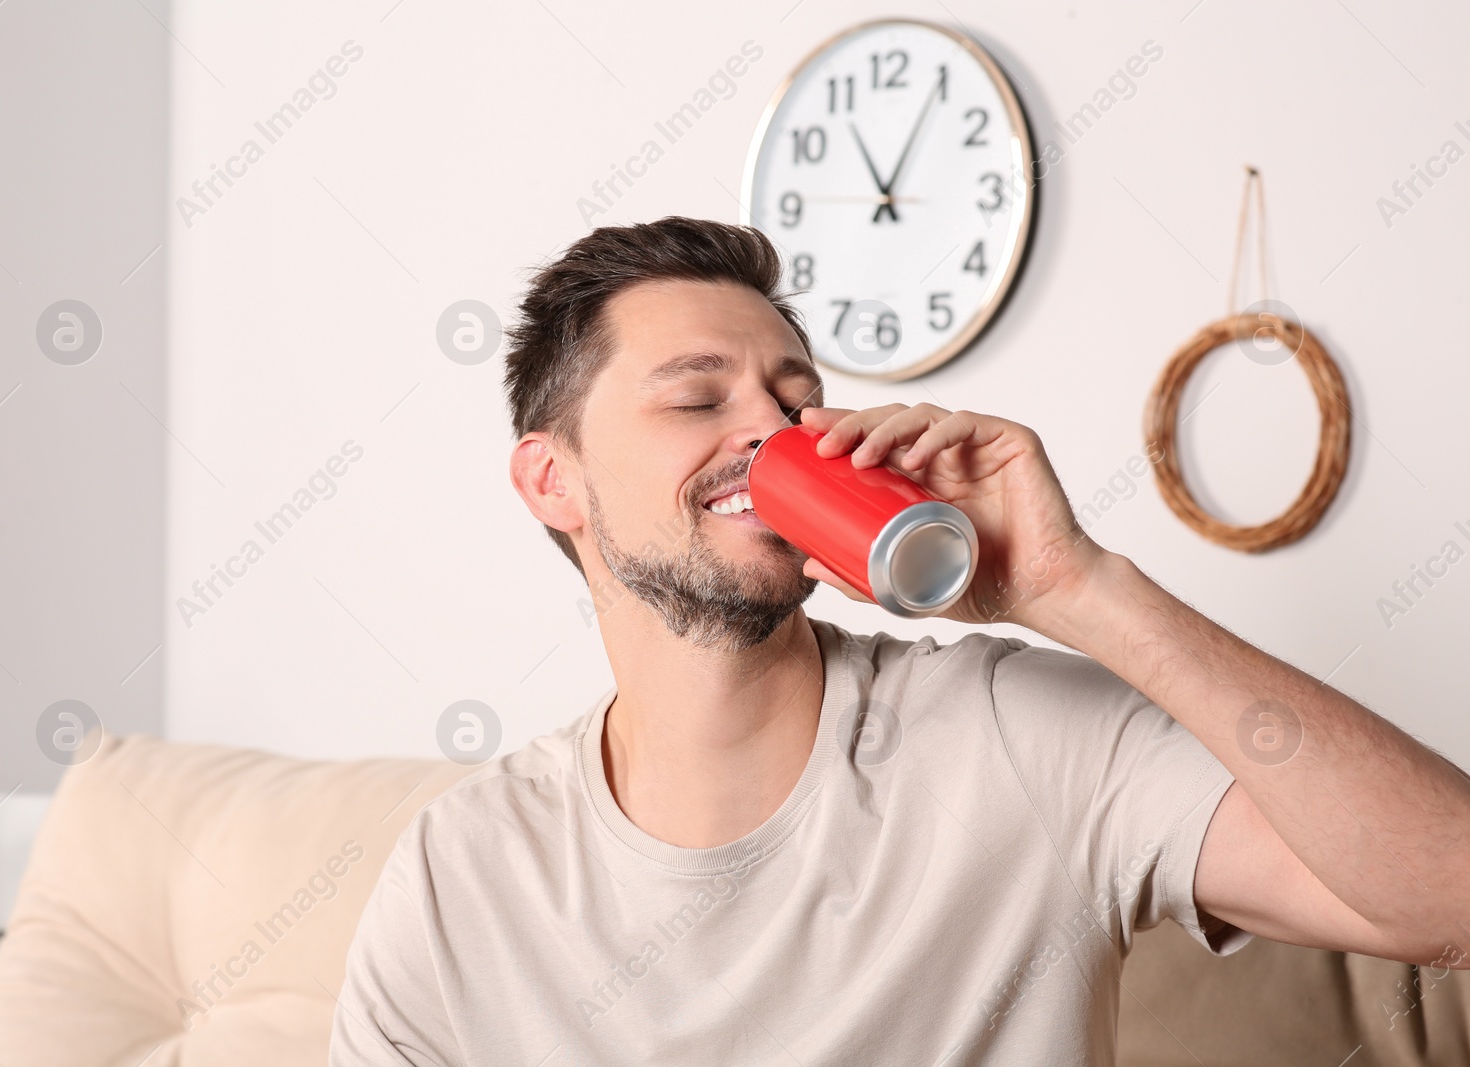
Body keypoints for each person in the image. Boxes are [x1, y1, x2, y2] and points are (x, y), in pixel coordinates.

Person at [331, 217, 1470, 1065]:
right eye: (696, 399)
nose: (772, 433)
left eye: (793, 397)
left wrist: (1076, 587)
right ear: (551, 479)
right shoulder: (461, 872)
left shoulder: (1013, 734)